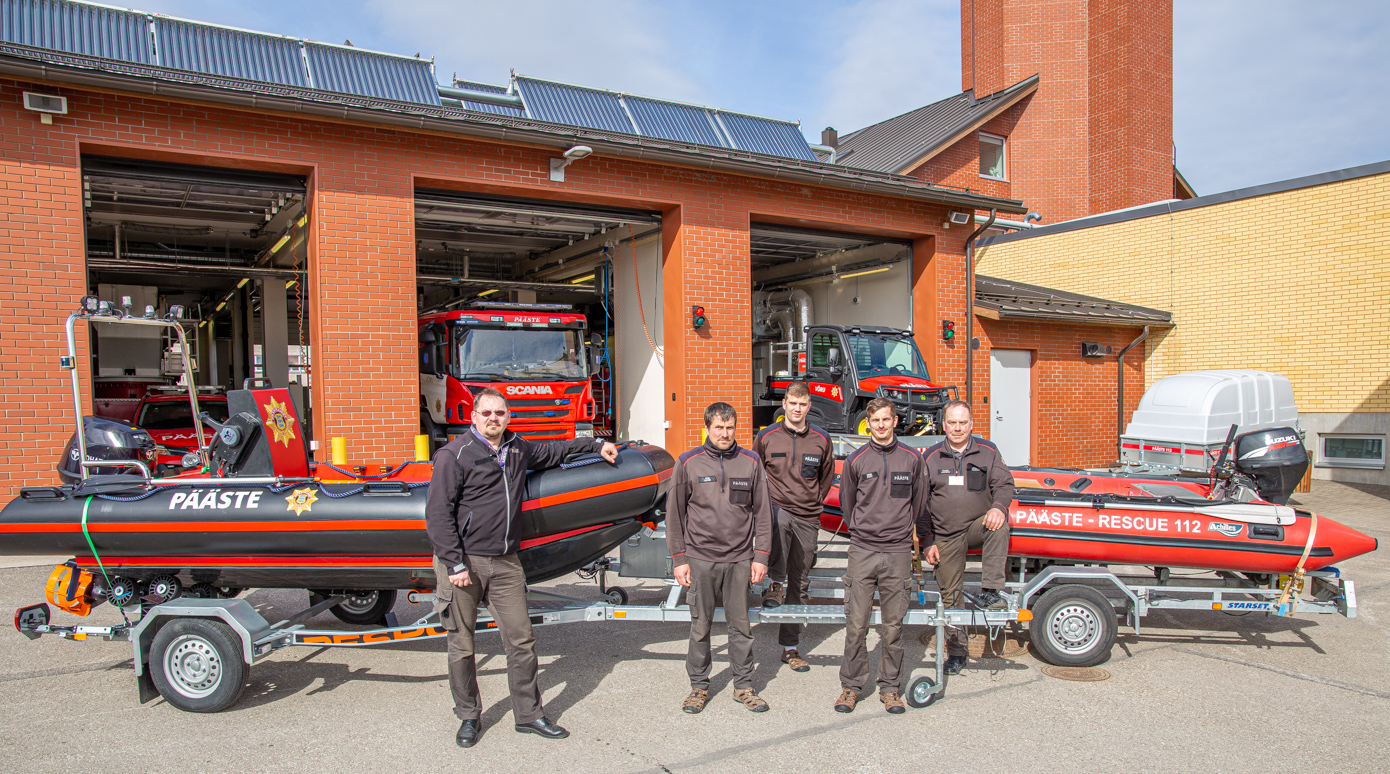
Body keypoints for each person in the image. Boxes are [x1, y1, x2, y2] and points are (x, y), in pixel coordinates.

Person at [426, 387, 619, 748]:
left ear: (508, 416)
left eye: (499, 413)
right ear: (474, 416)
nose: (493, 419)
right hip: (464, 563)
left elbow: (554, 451)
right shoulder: (455, 455)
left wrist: (595, 444)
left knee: (522, 641)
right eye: (486, 413)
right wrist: (454, 563)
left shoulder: (516, 447)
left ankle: (528, 715)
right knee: (462, 645)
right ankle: (469, 716)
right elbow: (438, 515)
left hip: (506, 563)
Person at [667, 401, 774, 714]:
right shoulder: (688, 462)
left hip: (740, 559)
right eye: (719, 428)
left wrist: (761, 556)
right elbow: (674, 515)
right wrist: (679, 559)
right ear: (707, 428)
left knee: (741, 628)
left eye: (730, 428)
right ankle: (699, 688)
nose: (725, 434)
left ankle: (744, 686)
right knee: (701, 627)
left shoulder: (751, 462)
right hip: (700, 559)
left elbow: (764, 514)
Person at [834, 398, 926, 715]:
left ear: (895, 421)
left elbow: (919, 503)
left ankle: (890, 688)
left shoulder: (912, 459)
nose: (881, 425)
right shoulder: (856, 460)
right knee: (856, 626)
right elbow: (848, 504)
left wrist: (902, 533)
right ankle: (852, 687)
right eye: (876, 421)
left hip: (898, 551)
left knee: (893, 628)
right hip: (863, 550)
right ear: (869, 424)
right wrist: (865, 530)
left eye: (886, 420)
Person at [920, 399, 1014, 676]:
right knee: (950, 598)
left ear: (971, 424)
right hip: (945, 534)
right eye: (952, 422)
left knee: (1000, 525)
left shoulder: (988, 452)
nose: (958, 428)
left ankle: (991, 590)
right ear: (944, 424)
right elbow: (921, 503)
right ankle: (958, 652)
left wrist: (998, 507)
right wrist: (927, 541)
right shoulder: (931, 456)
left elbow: (1004, 484)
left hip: (976, 526)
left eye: (963, 422)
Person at [752, 381, 834, 674]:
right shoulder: (766, 437)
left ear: (808, 406)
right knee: (780, 519)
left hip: (808, 517)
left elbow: (826, 478)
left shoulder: (822, 439)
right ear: (784, 404)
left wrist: (813, 503)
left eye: (803, 404)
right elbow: (755, 473)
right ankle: (774, 582)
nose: (797, 409)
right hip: (776, 511)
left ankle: (790, 648)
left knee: (799, 582)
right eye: (792, 403)